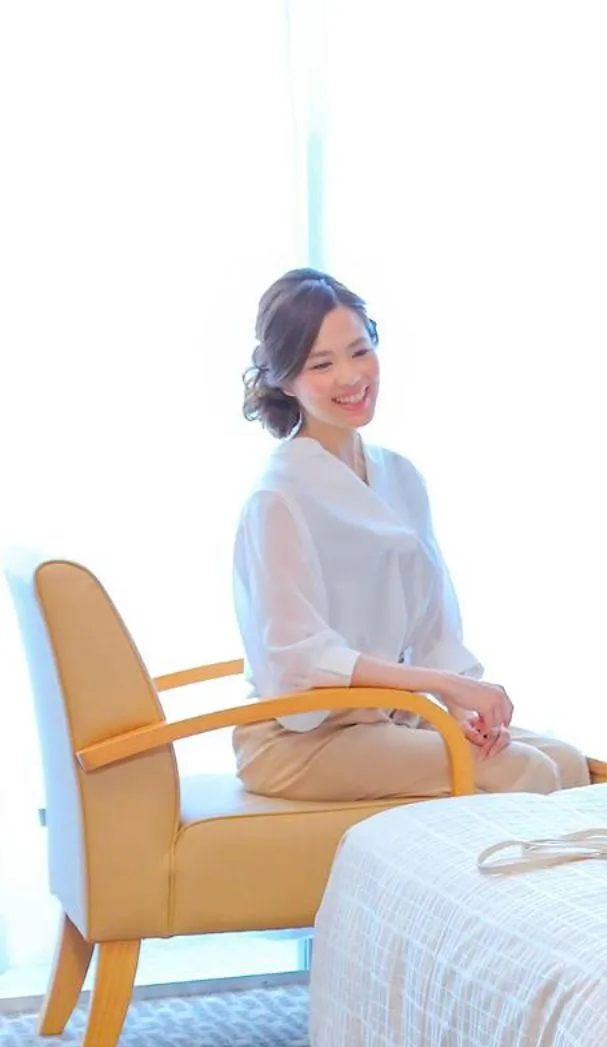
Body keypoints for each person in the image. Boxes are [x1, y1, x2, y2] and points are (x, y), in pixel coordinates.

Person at [231, 268, 587, 800]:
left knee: (567, 763)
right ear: (284, 378)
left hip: (394, 720)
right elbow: (297, 660)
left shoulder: (400, 476)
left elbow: (434, 631)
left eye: (359, 350)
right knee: (524, 772)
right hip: (298, 740)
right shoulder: (276, 497)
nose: (350, 377)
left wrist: (465, 708)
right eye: (321, 364)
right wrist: (442, 686)